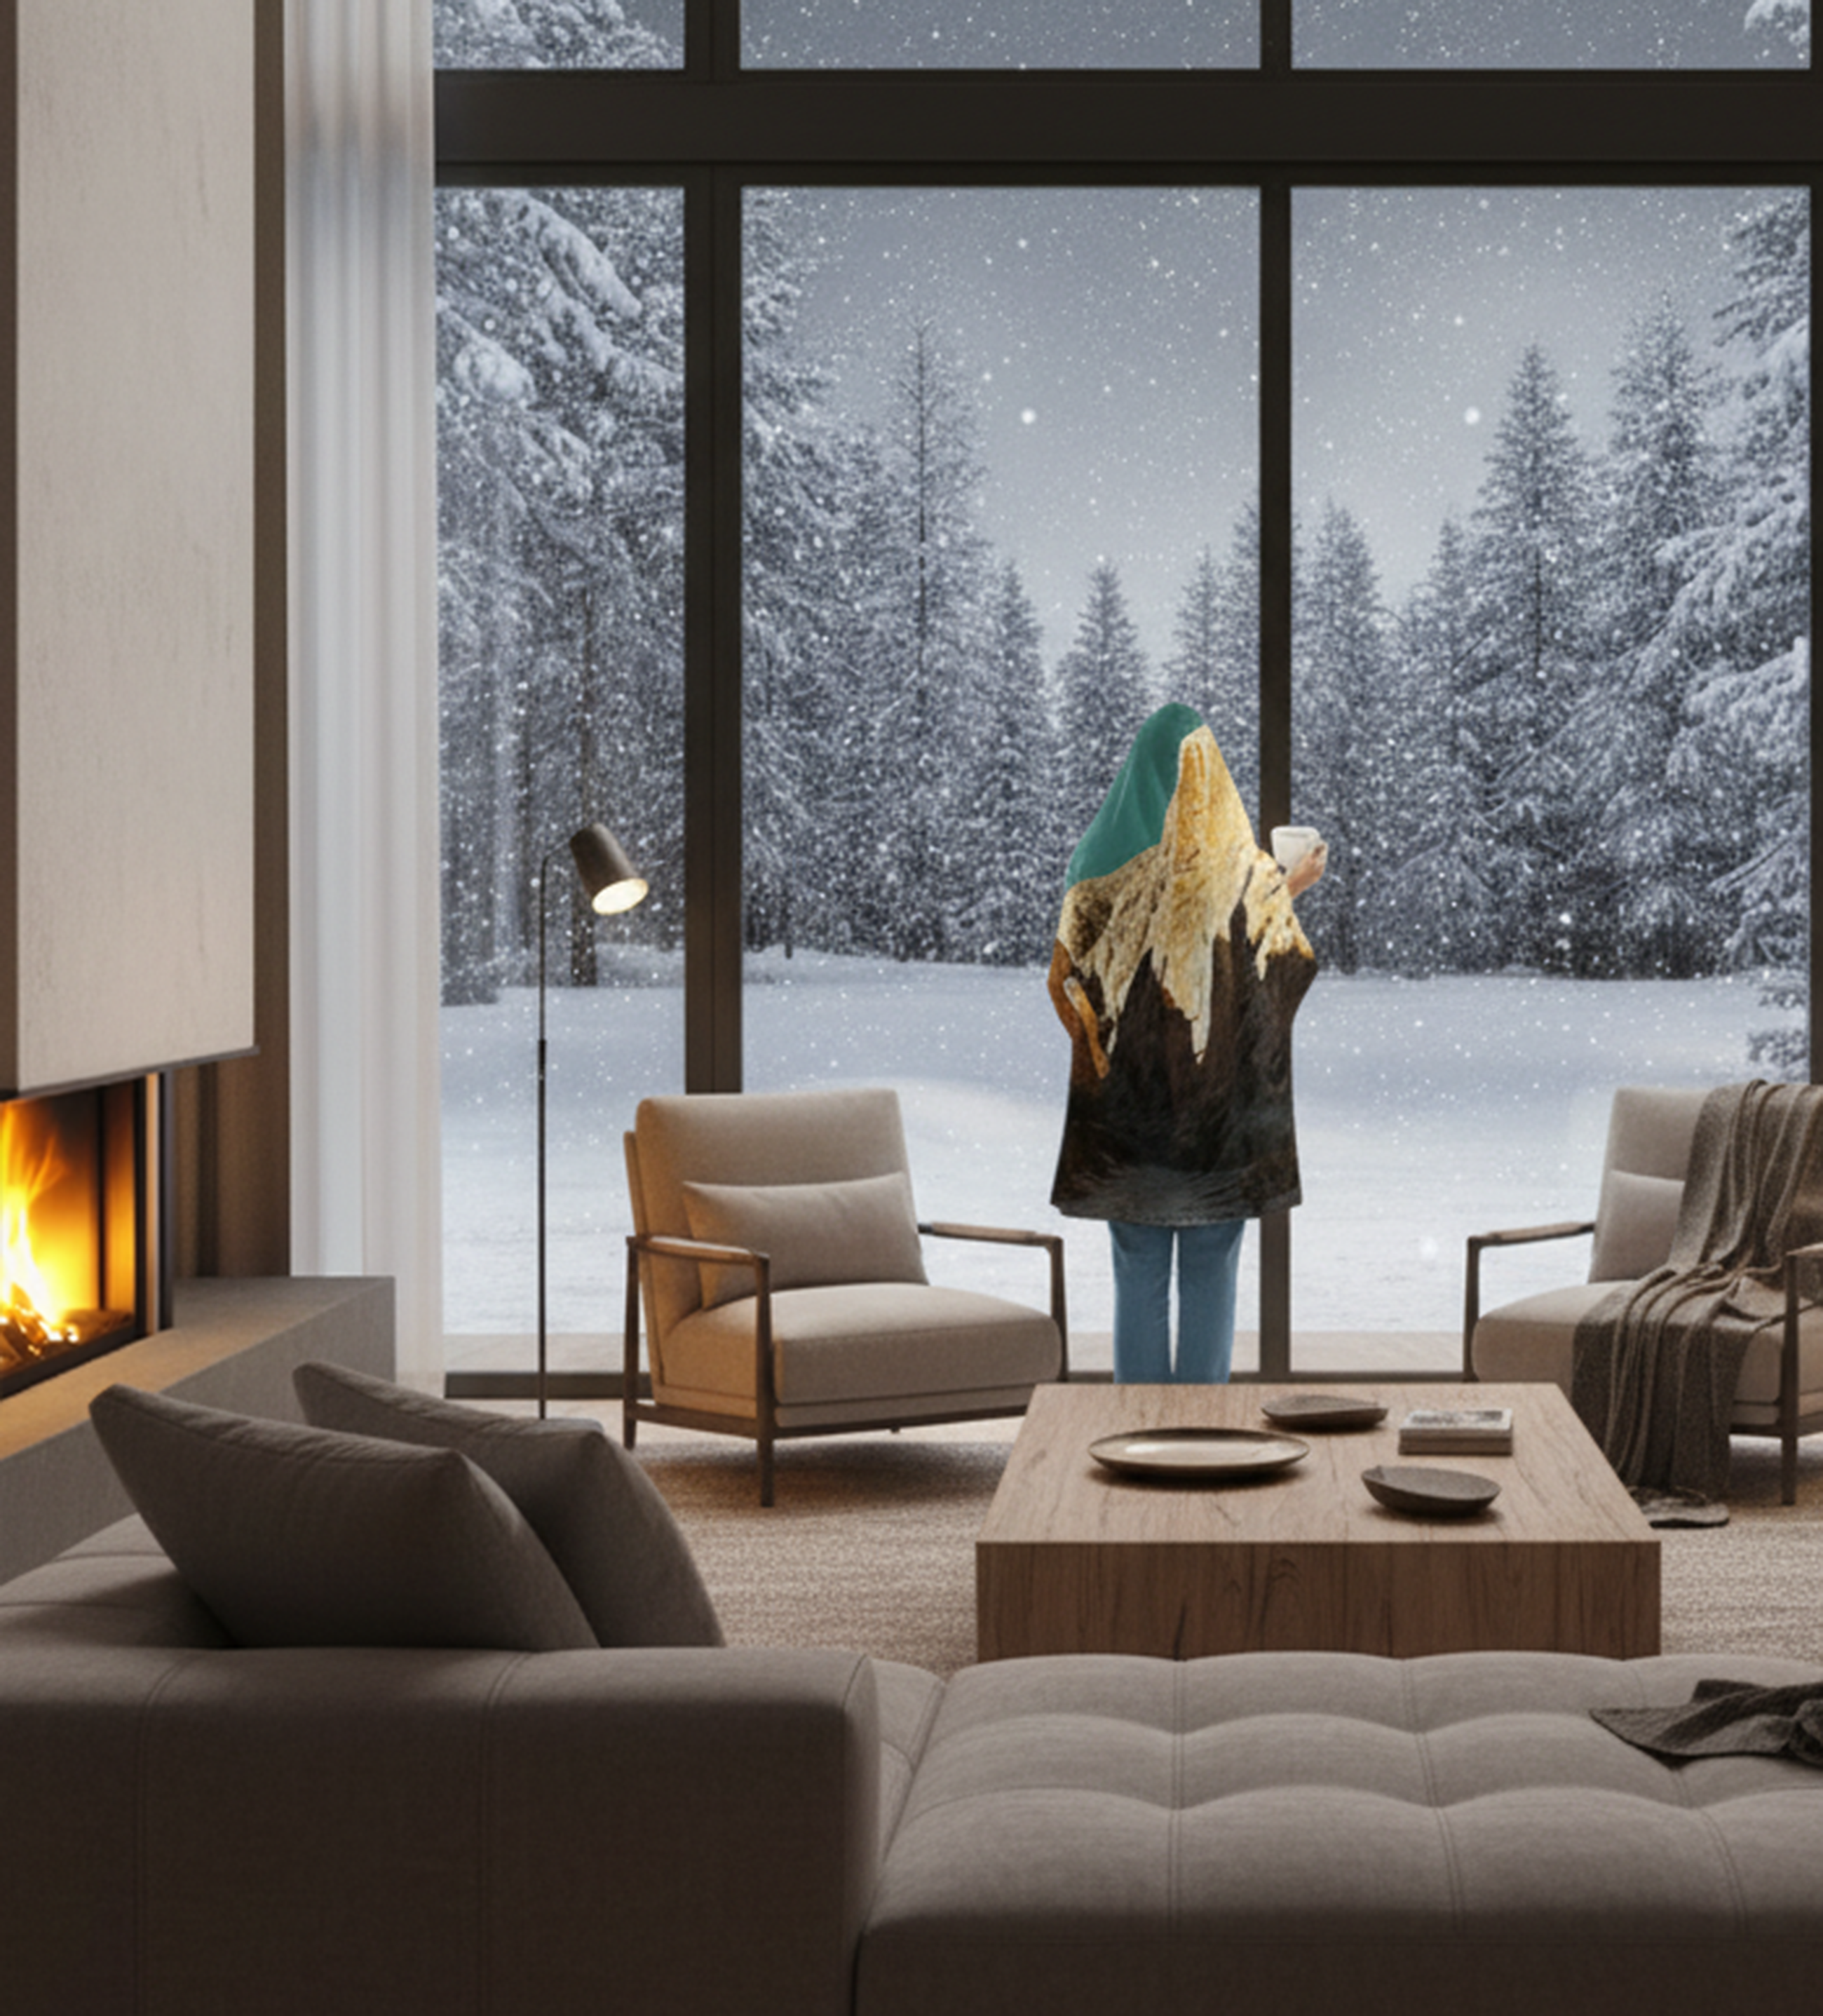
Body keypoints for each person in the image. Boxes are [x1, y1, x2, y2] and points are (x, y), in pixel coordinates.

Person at [1048, 701, 1324, 1382]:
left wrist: (1111, 1057)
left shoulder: (1093, 863)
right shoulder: (1238, 869)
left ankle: (1137, 1421)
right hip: (1215, 1122)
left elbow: (1065, 985)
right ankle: (1203, 1426)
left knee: (1135, 1271)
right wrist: (1291, 886)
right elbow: (1278, 965)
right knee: (1209, 1269)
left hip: (1126, 1120)